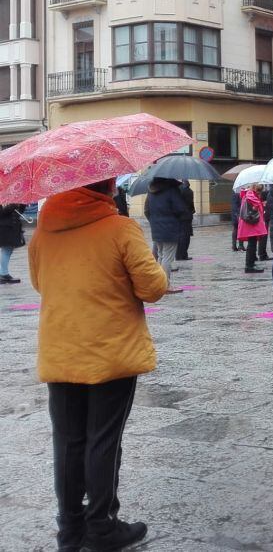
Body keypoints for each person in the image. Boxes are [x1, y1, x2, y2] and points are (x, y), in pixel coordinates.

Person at [30, 178, 168, 552]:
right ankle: (102, 527)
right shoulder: (120, 228)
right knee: (103, 439)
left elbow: (39, 282)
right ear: (107, 186)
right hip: (110, 350)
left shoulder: (45, 229)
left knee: (68, 441)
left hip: (61, 347)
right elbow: (152, 288)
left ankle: (70, 531)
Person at [144, 178, 186, 292]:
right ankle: (165, 286)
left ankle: (160, 284)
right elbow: (180, 209)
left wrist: (154, 222)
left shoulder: (151, 191)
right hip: (170, 228)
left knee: (161, 256)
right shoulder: (172, 190)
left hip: (156, 228)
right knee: (167, 258)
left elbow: (146, 211)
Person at [237, 186, 267, 273]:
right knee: (252, 244)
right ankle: (249, 266)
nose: (259, 192)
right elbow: (256, 206)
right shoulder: (251, 196)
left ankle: (251, 263)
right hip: (251, 223)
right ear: (254, 188)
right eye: (258, 190)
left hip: (249, 223)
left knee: (252, 243)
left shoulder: (248, 195)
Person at [0, 202, 27, 284]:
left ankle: (3, 273)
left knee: (8, 250)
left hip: (13, 228)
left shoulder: (13, 199)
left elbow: (20, 212)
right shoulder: (2, 198)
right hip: (4, 229)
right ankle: (3, 274)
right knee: (6, 250)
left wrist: (22, 204)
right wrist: (11, 206)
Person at [175, 180, 195, 261]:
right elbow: (191, 204)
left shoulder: (176, 190)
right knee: (185, 236)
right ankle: (183, 255)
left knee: (180, 236)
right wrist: (192, 210)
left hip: (178, 216)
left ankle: (178, 255)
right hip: (187, 216)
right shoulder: (189, 191)